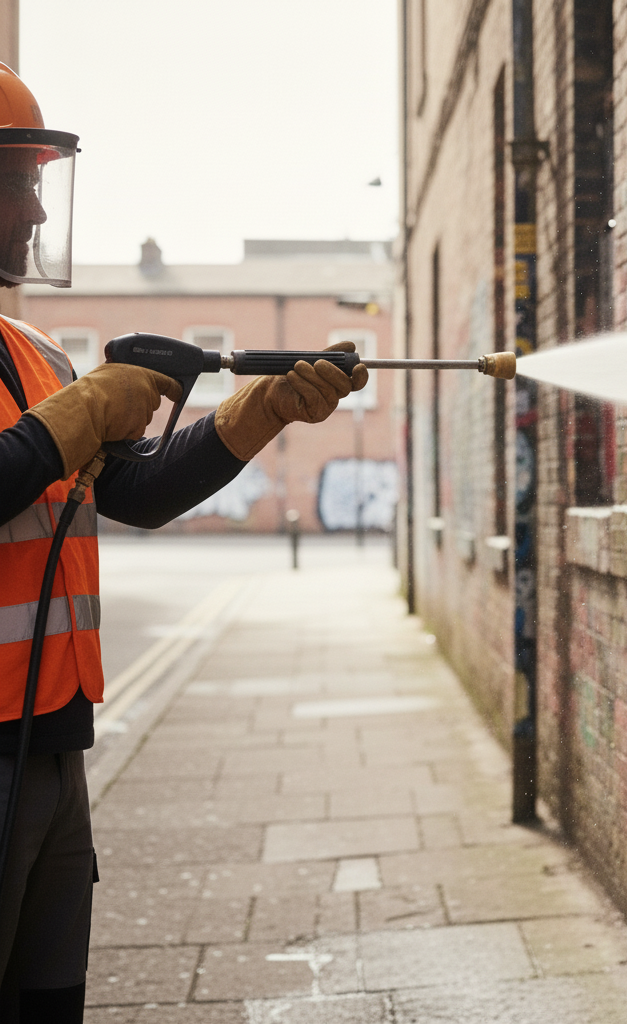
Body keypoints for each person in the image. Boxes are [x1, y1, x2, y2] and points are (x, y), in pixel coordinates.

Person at [0, 63, 367, 1023]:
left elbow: (138, 492)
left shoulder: (33, 352)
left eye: (40, 180)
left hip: (51, 741)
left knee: (49, 1001)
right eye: (15, 180)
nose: (37, 211)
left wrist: (258, 412)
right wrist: (72, 419)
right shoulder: (55, 382)